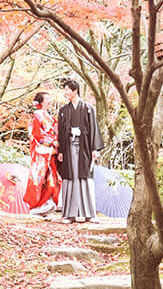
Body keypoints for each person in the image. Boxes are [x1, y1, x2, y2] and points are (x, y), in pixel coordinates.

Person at [55, 77, 102, 223]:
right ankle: (70, 214)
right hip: (68, 148)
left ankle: (89, 213)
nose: (66, 93)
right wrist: (61, 151)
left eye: (68, 90)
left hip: (84, 148)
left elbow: (93, 128)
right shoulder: (63, 110)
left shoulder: (88, 108)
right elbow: (60, 131)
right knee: (70, 178)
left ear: (75, 91)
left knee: (85, 177)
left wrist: (95, 148)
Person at [22, 90, 60, 215]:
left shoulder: (49, 116)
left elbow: (55, 132)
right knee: (39, 177)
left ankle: (47, 202)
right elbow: (37, 134)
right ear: (41, 102)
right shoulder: (37, 115)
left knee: (51, 177)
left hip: (49, 152)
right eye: (47, 98)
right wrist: (51, 143)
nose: (50, 100)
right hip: (41, 151)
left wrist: (56, 141)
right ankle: (37, 205)